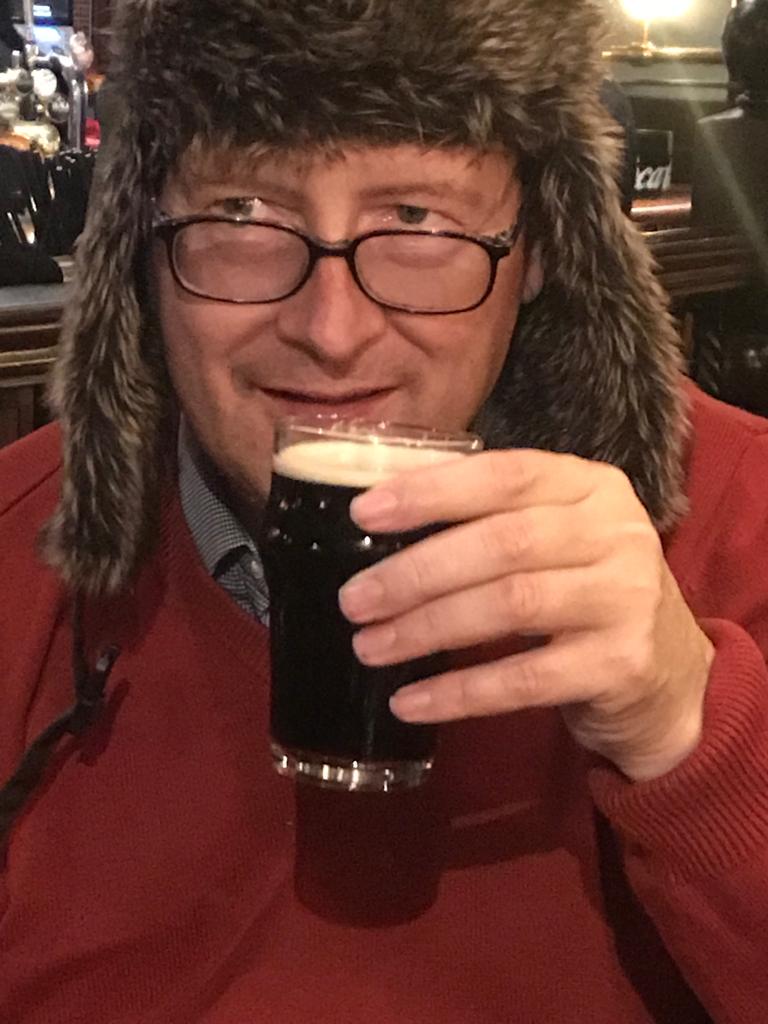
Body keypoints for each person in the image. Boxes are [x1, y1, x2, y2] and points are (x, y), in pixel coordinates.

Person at [0, 1, 766, 1021]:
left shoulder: (744, 520)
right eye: (243, 214)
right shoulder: (19, 555)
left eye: (415, 219)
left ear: (538, 246)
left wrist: (690, 729)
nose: (332, 330)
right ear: (142, 241)